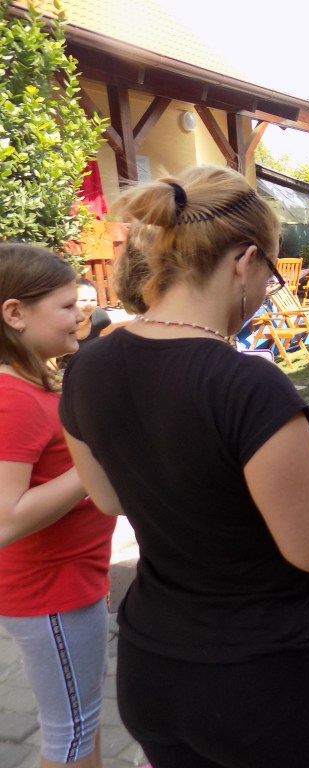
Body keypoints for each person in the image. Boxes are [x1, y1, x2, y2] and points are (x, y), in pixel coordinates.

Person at [58, 165, 309, 768]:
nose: (267, 289)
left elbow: (109, 498)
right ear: (244, 260)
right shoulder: (245, 384)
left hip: (154, 667)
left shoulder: (89, 366)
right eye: (270, 272)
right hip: (264, 682)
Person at [0, 242, 117, 768]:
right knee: (70, 734)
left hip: (70, 584)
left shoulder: (35, 382)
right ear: (15, 313)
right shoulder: (12, 397)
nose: (82, 313)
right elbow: (6, 519)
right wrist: (96, 458)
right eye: (68, 305)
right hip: (49, 592)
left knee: (82, 722)